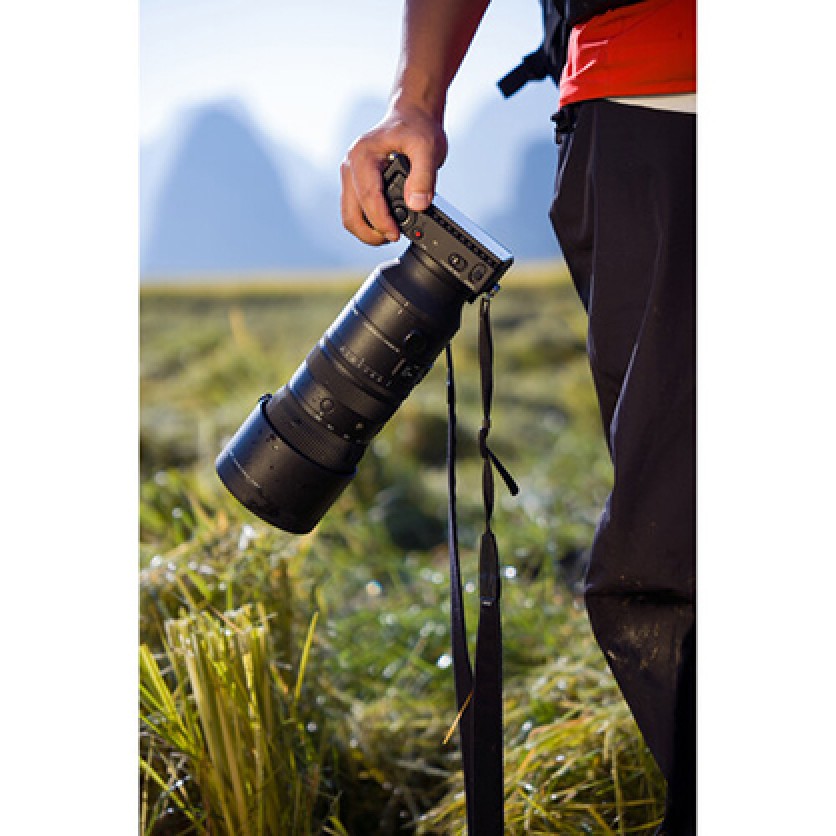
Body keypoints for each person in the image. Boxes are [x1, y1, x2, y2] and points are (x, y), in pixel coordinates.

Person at [340, 1, 696, 833]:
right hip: (650, 93)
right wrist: (415, 99)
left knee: (676, 560)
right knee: (681, 539)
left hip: (659, 100)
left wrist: (418, 100)